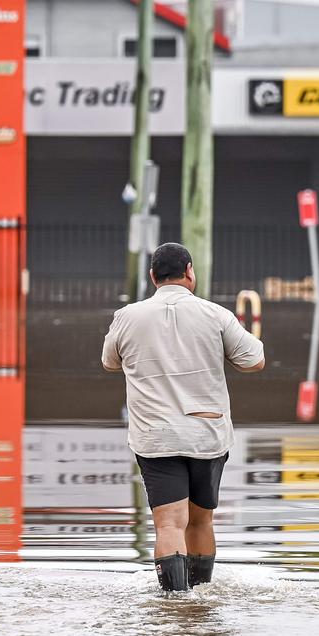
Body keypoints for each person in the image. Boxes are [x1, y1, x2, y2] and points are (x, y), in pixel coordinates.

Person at [101, 243, 265, 592]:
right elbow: (254, 360)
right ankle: (201, 597)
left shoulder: (127, 316)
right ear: (190, 272)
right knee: (201, 521)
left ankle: (176, 604)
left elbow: (109, 362)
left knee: (169, 525)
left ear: (152, 277)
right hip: (207, 433)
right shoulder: (216, 315)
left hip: (155, 436)